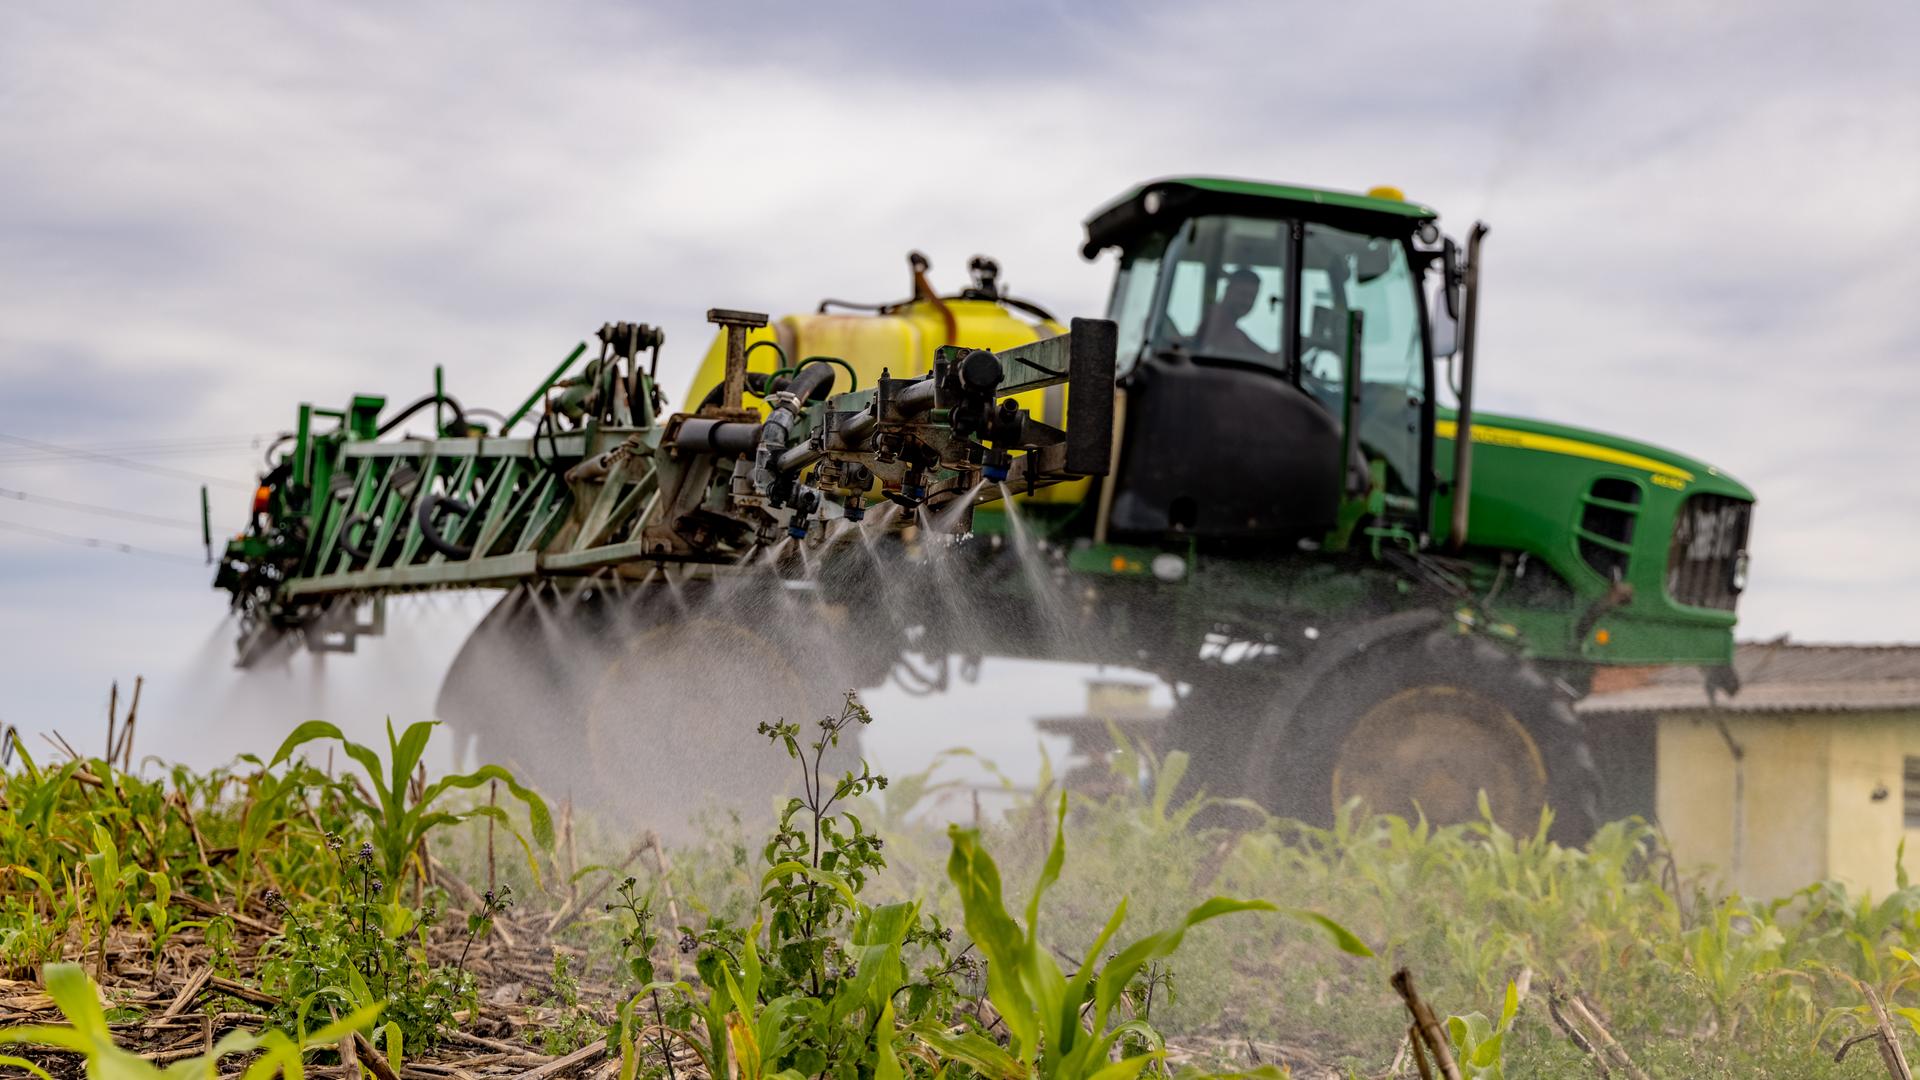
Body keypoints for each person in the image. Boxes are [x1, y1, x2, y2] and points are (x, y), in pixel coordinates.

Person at [1193, 267, 1273, 360]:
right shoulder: (1217, 320)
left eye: (1252, 297)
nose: (1246, 302)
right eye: (1243, 294)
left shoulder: (1235, 332)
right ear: (1228, 290)